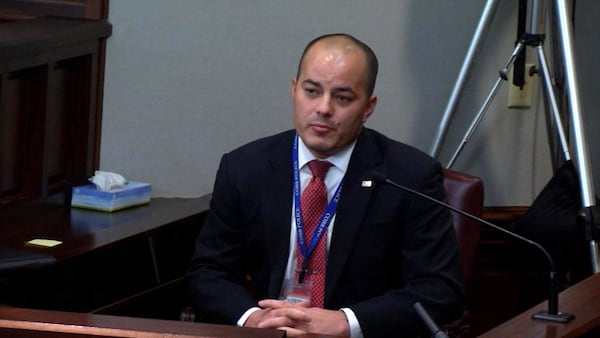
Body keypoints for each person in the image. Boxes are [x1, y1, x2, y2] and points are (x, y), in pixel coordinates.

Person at [187, 33, 464, 337]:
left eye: (342, 97)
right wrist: (255, 321)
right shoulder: (244, 168)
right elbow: (208, 273)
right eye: (312, 91)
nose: (324, 108)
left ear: (368, 107)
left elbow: (438, 290)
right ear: (294, 90)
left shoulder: (410, 175)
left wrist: (346, 322)